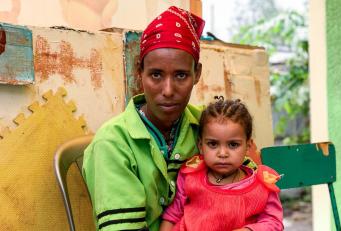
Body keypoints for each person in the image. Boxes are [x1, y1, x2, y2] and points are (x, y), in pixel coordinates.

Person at [82, 6, 205, 230]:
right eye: (156, 74)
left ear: (197, 74)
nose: (168, 90)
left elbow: (250, 196)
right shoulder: (112, 143)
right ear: (140, 72)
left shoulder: (209, 127)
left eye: (181, 75)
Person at [160, 99, 284, 231]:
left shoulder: (261, 186)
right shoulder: (190, 176)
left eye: (233, 144)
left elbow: (274, 222)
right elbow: (172, 216)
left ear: (247, 146)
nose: (223, 153)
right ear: (201, 145)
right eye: (213, 144)